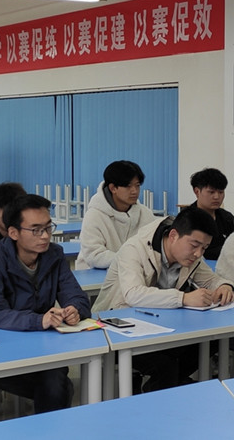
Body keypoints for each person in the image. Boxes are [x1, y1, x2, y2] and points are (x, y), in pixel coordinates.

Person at [93, 207, 234, 392]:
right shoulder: (134, 249)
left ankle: (162, 388)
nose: (198, 254)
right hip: (117, 329)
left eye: (204, 248)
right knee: (166, 366)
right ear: (173, 235)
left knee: (209, 342)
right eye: (194, 245)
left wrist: (225, 286)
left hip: (160, 326)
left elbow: (210, 280)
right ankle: (164, 392)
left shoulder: (190, 257)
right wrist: (183, 298)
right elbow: (133, 293)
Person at [0, 194, 90, 413]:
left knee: (56, 383)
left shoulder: (54, 254)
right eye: (36, 230)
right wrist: (39, 320)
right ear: (13, 232)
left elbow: (76, 295)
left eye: (48, 228)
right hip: (0, 350)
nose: (45, 236)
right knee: (56, 388)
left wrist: (75, 309)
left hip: (41, 345)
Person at [76, 160, 155, 269]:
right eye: (128, 186)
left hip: (133, 271)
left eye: (137, 185)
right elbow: (94, 255)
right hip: (95, 272)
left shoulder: (145, 214)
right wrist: (131, 259)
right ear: (113, 188)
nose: (134, 191)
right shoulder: (94, 216)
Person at [188, 167, 234, 260]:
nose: (216, 197)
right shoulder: (187, 219)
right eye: (211, 192)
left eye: (221, 192)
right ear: (197, 192)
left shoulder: (227, 218)